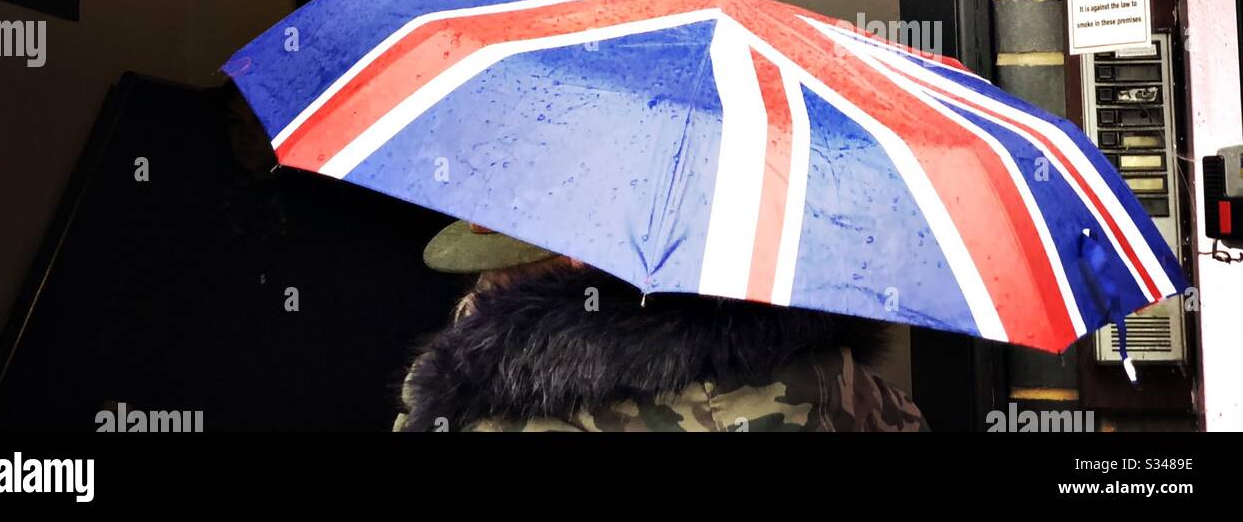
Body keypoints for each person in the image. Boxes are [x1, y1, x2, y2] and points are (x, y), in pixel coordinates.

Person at [393, 221, 927, 433]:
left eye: (499, 275)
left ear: (577, 262)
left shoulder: (491, 409)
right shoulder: (840, 375)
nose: (483, 286)